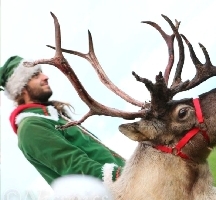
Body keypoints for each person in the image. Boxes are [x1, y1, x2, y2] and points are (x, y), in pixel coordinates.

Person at [0, 55, 125, 186]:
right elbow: (76, 166)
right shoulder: (30, 127)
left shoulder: (52, 116)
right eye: (36, 75)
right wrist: (129, 178)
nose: (45, 77)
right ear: (22, 88)